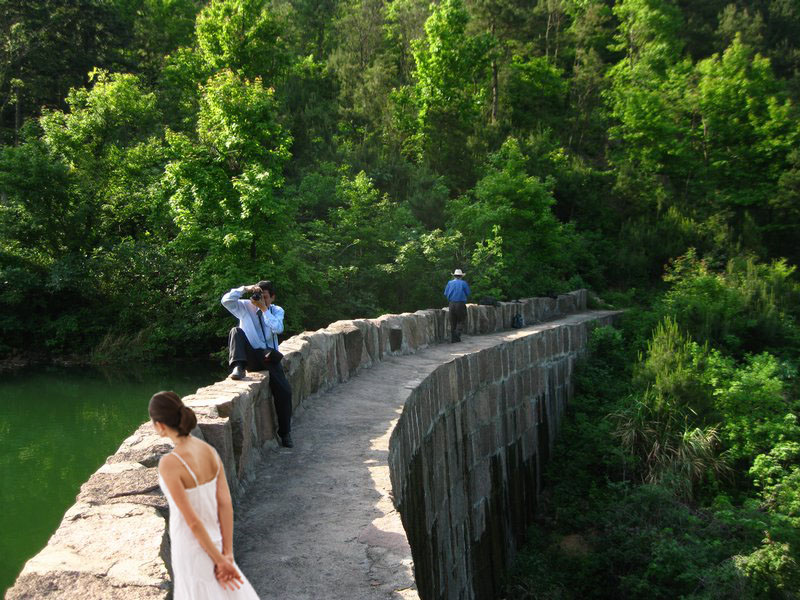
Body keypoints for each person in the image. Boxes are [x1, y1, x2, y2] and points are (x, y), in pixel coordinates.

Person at [150, 391, 260, 599]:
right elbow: (225, 504)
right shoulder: (209, 451)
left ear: (161, 425)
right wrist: (227, 554)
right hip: (217, 541)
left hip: (191, 548)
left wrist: (219, 561)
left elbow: (192, 522)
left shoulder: (170, 463)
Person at [221, 281, 293, 448]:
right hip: (251, 357)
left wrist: (263, 309)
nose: (261, 299)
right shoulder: (245, 306)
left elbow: (278, 329)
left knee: (285, 392)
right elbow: (226, 301)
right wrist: (246, 289)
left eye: (265, 297)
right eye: (260, 295)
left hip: (268, 357)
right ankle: (238, 367)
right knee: (235, 331)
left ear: (272, 297)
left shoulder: (276, 310)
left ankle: (285, 433)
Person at [444, 269, 470, 343]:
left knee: (453, 321)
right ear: (461, 276)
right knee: (461, 319)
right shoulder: (463, 283)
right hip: (460, 303)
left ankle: (453, 339)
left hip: (451, 303)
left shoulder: (449, 283)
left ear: (454, 276)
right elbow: (468, 293)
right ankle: (457, 335)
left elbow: (445, 293)